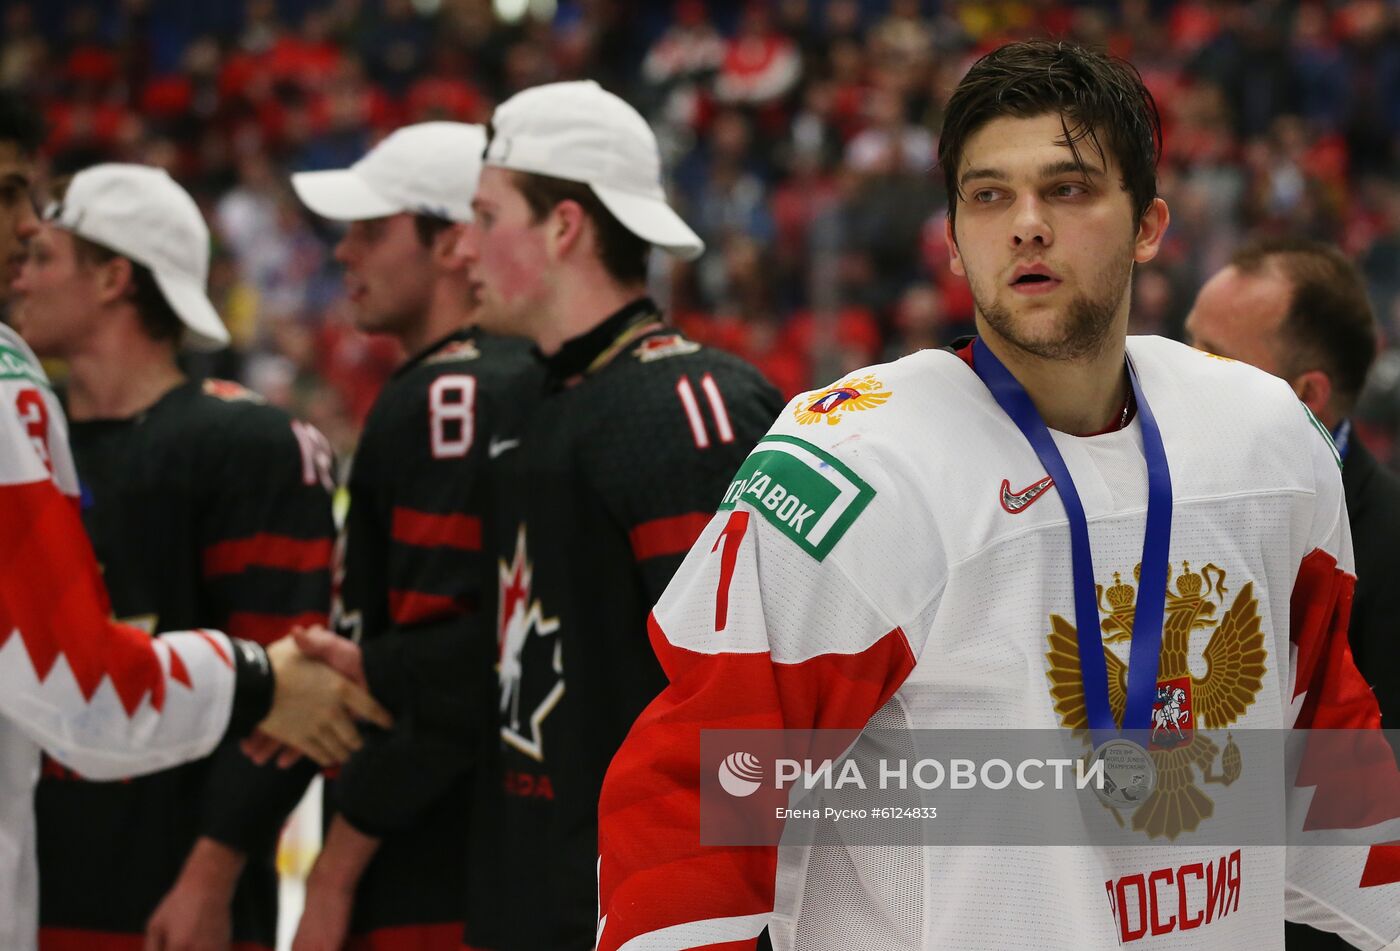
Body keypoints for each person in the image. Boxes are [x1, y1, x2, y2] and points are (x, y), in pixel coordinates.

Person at [595, 41, 1400, 949]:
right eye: (988, 195)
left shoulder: (1264, 438)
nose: (1026, 224)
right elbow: (695, 797)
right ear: (950, 237)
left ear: (1148, 224)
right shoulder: (863, 461)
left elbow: (1330, 753)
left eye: (1068, 189)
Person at [0, 96, 389, 951]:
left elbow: (298, 693)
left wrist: (211, 872)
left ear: (116, 278)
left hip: (159, 898)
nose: (22, 264)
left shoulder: (247, 444)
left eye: (47, 249)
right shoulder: (28, 419)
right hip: (36, 876)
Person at [453, 79, 784, 949]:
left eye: (487, 217)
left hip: (645, 915)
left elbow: (749, 712)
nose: (463, 248)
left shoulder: (688, 406)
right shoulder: (529, 396)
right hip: (531, 895)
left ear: (563, 226)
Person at [287, 121, 539, 951]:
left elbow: (450, 675)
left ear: (453, 241)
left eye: (371, 229)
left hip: (436, 867)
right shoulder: (510, 376)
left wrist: (336, 869)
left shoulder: (447, 395)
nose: (344, 253)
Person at [1184, 238, 1400, 951]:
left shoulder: (1390, 552)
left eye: (1210, 357)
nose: (1170, 376)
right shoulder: (1152, 496)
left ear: (1304, 394)